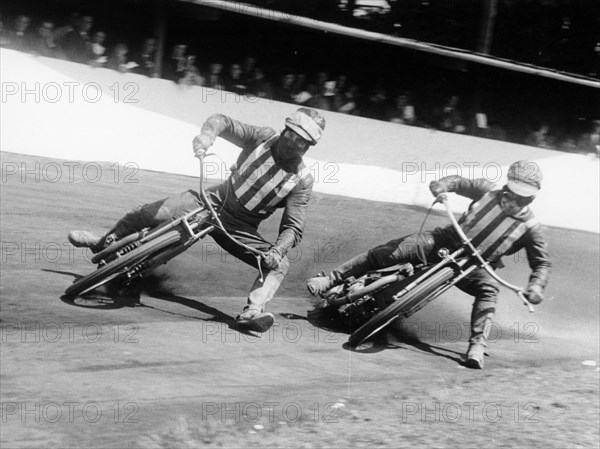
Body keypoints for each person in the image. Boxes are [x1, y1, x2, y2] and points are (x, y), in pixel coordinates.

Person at [68, 108, 326, 333]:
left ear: (309, 147)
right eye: (292, 134)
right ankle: (103, 242)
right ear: (285, 129)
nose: (295, 144)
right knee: (150, 213)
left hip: (240, 228)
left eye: (303, 142)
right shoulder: (262, 137)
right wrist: (207, 136)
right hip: (213, 199)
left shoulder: (301, 181)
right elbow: (222, 120)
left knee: (280, 265)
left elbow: (293, 226)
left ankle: (253, 311)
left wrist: (277, 250)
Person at [307, 161, 551, 369]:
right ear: (506, 186)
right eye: (511, 194)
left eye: (521, 198)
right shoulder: (487, 191)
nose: (513, 201)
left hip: (476, 265)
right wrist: (441, 187)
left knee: (489, 291)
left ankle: (477, 346)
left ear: (531, 197)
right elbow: (458, 181)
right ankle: (331, 279)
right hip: (444, 240)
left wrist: (537, 287)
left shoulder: (532, 228)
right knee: (390, 252)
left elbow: (541, 263)